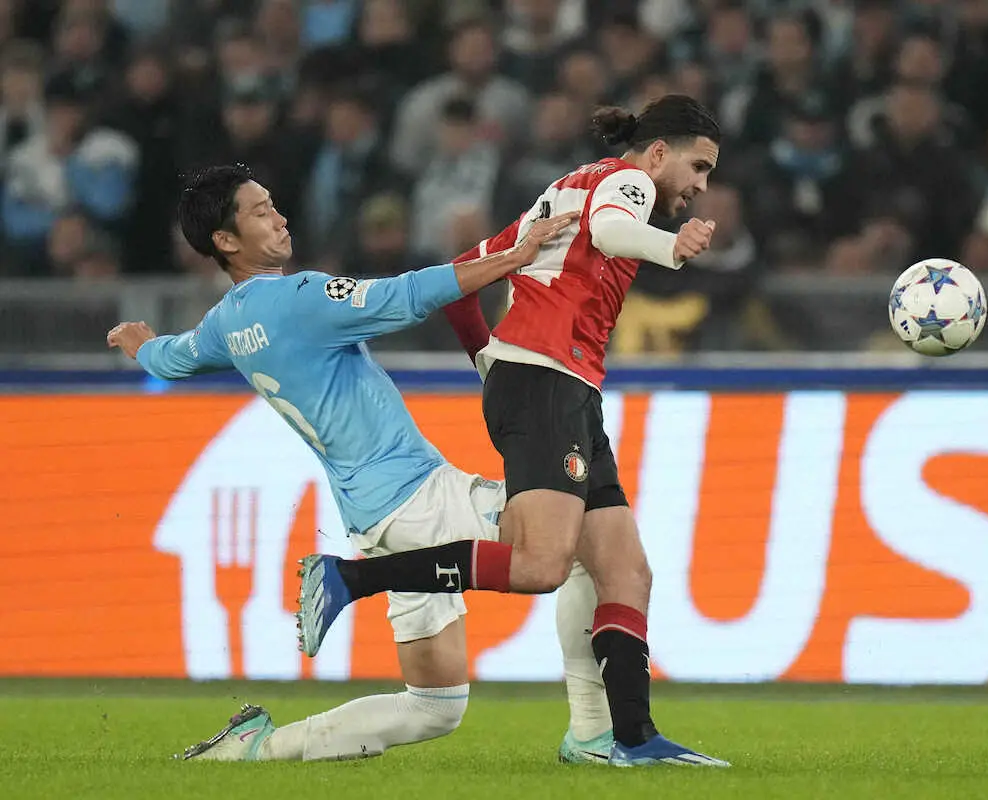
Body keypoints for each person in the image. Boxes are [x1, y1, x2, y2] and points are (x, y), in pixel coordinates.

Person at [104, 164, 615, 764]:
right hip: (417, 498)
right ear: (225, 240)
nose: (280, 217)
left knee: (434, 706)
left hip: (374, 520)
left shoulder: (227, 322)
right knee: (579, 550)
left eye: (274, 204)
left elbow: (173, 359)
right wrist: (515, 257)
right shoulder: (299, 298)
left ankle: (255, 749)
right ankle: (592, 734)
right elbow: (407, 296)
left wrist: (142, 346)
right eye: (260, 212)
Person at [298, 94, 730, 767]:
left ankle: (631, 739)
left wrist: (490, 363)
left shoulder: (561, 191)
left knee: (625, 569)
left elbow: (463, 281)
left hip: (552, 384)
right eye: (698, 167)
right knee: (541, 564)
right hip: (549, 380)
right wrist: (670, 247)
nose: (701, 185)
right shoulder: (629, 183)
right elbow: (612, 229)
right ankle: (351, 578)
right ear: (656, 153)